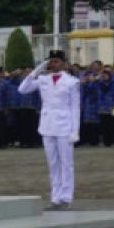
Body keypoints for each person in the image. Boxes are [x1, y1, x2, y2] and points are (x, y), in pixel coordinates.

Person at [18, 49, 80, 211]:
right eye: (51, 61)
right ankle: (55, 198)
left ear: (64, 64)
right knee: (53, 164)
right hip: (47, 125)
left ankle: (66, 197)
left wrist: (75, 130)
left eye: (56, 61)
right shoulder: (43, 79)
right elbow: (22, 89)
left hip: (65, 126)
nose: (53, 64)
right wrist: (38, 69)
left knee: (66, 164)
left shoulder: (72, 82)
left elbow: (75, 108)